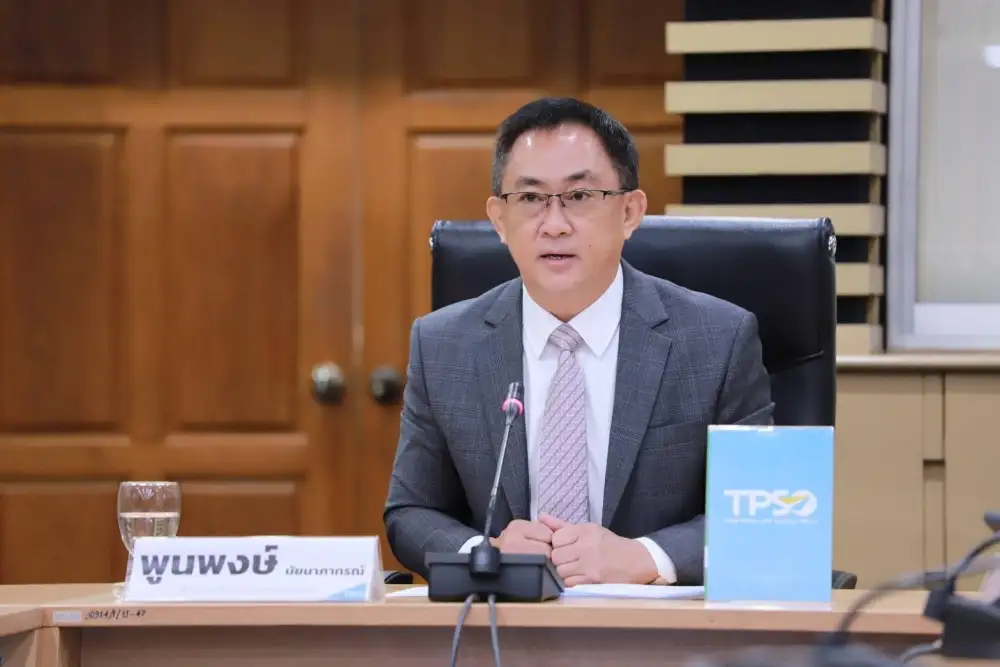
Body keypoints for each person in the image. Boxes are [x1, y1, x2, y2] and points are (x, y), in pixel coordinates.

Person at [383, 96, 774, 586]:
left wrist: (646, 557)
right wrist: (486, 553)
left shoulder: (717, 340)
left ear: (630, 211)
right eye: (530, 199)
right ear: (499, 219)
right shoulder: (444, 344)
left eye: (580, 196)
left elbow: (761, 514)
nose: (554, 225)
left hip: (658, 626)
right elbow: (411, 511)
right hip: (507, 622)